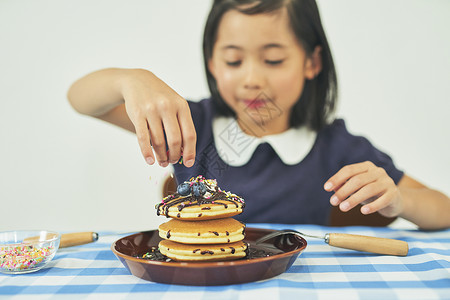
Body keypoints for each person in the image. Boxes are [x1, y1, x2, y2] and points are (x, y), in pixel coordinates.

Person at [67, 0, 449, 229]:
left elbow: (443, 209)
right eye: (234, 60)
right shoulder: (189, 125)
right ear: (213, 63)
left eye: (273, 59)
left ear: (312, 62)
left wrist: (399, 201)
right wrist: (130, 80)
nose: (252, 79)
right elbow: (81, 100)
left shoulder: (335, 147)